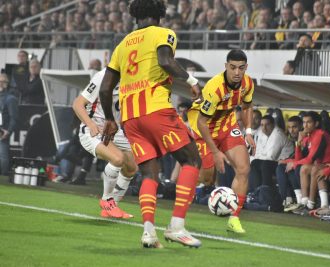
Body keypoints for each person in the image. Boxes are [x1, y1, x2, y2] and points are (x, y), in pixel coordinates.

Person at [99, 0, 202, 249]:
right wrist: (192, 80)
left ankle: (148, 232)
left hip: (131, 117)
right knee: (192, 160)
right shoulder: (163, 33)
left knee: (150, 173)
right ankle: (176, 227)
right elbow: (165, 61)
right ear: (160, 13)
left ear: (136, 15)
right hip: (156, 109)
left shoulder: (122, 45)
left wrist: (110, 120)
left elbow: (105, 88)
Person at [188, 49, 256, 234]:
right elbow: (202, 122)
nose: (236, 72)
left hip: (227, 127)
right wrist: (216, 152)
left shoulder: (248, 83)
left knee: (243, 168)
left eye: (241, 68)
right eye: (232, 67)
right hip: (204, 131)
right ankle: (184, 187)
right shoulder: (214, 87)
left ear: (245, 68)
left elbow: (248, 106)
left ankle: (234, 219)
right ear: (226, 66)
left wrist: (248, 131)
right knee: (207, 178)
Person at [73, 67, 138, 217]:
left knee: (131, 167)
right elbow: (77, 104)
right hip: (93, 129)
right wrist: (90, 124)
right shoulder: (103, 76)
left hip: (113, 129)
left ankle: (110, 207)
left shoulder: (135, 78)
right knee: (118, 158)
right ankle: (106, 200)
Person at [0, 73, 18, 175]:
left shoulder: (11, 99)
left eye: (3, 81)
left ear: (7, 83)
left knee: (3, 156)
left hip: (3, 131)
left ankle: (3, 178)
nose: (1, 84)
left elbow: (14, 118)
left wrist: (9, 131)